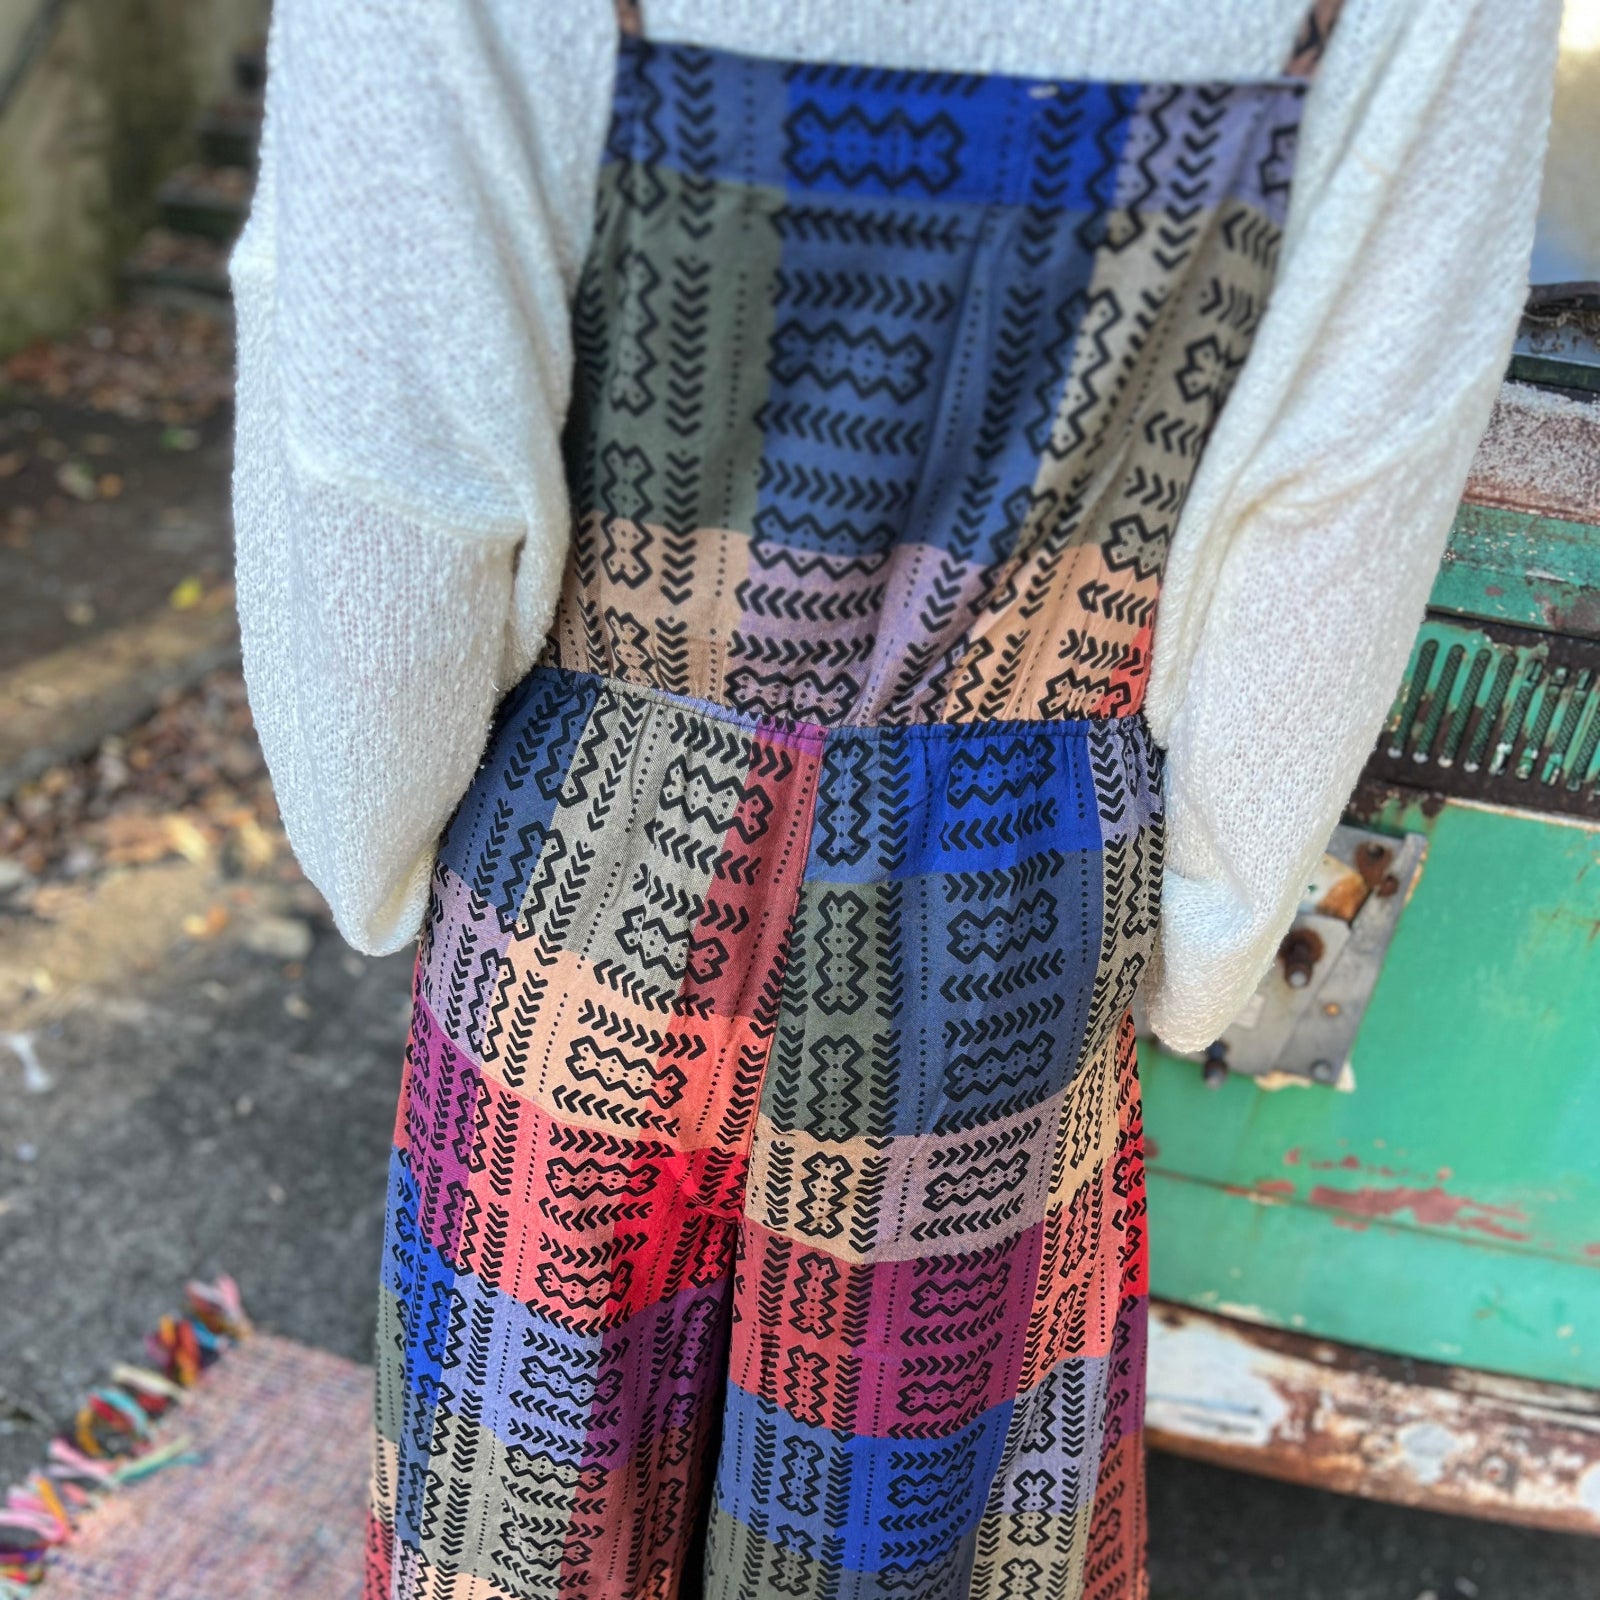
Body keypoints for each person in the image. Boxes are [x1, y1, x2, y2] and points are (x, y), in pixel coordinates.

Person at [230, 1, 1561, 1595]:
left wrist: (376, 840)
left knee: (517, 1523)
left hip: (604, 855)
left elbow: (383, 429)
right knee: (909, 1532)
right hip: (1006, 885)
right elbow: (1343, 490)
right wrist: (1204, 943)